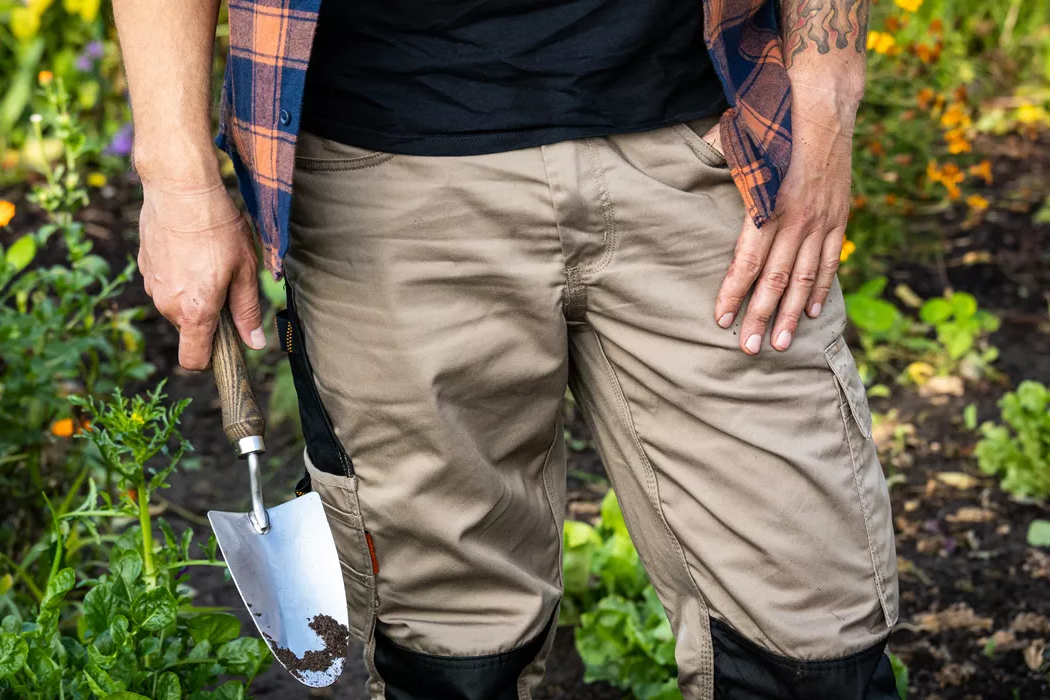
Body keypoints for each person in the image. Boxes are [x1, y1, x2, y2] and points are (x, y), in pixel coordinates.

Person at [115, 0, 900, 696]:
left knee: (814, 631)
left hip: (705, 152)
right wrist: (178, 177)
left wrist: (827, 93)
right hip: (385, 183)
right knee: (451, 647)